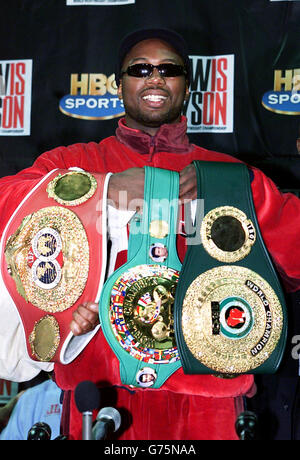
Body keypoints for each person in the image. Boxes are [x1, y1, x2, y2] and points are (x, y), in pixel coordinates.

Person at [0, 28, 300, 440]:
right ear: (118, 83)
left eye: (168, 69)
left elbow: (294, 259)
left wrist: (243, 191)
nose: (155, 78)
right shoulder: (75, 163)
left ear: (187, 85)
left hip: (207, 400)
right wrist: (101, 192)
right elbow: (7, 207)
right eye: (140, 69)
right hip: (103, 398)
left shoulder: (227, 172)